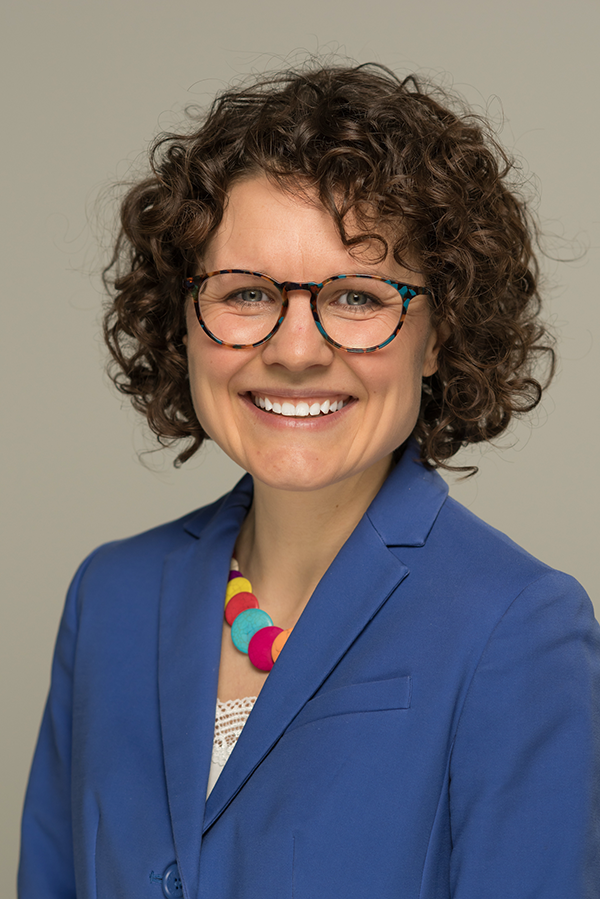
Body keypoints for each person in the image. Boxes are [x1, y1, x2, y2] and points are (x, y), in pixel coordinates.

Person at [19, 62, 600, 898]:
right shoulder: (108, 599)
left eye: (359, 296)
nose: (295, 350)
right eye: (247, 292)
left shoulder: (518, 629)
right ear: (182, 319)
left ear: (438, 335)